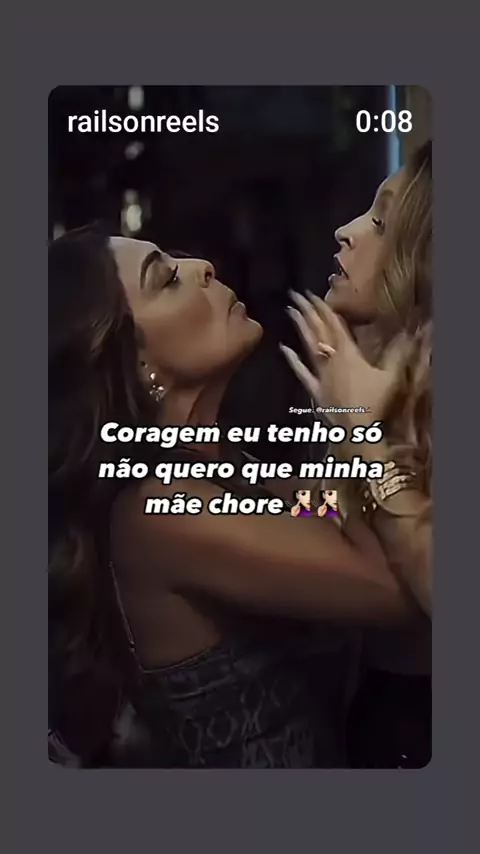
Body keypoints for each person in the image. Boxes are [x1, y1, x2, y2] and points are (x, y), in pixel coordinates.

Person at [49, 227, 422, 769]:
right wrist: (356, 420)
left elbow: (340, 511)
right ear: (136, 365)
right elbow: (403, 589)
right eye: (167, 279)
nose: (202, 265)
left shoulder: (225, 466)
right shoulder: (160, 512)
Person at [281, 140, 432, 766]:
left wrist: (364, 441)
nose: (345, 230)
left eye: (379, 222)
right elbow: (328, 517)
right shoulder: (367, 378)